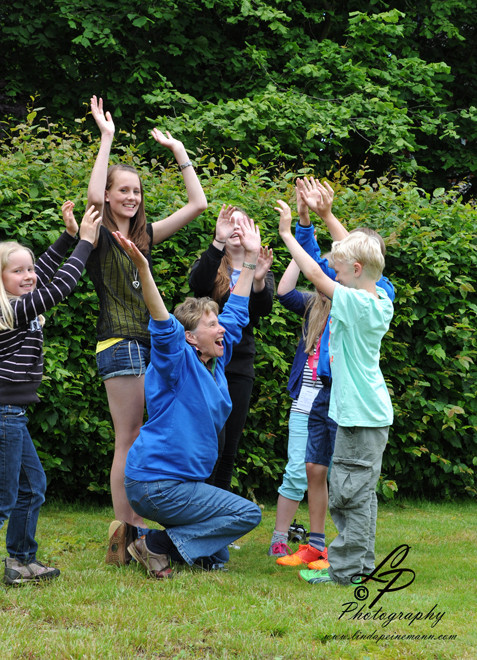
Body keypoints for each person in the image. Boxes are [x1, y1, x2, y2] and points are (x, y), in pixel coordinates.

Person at [86, 96, 207, 564]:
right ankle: (128, 534)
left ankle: (134, 529)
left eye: (136, 191)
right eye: (123, 191)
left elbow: (197, 203)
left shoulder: (145, 236)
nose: (130, 197)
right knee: (129, 437)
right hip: (119, 345)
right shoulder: (96, 233)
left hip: (148, 346)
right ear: (111, 195)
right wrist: (107, 138)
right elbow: (93, 197)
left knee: (141, 435)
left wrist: (179, 151)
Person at [113, 213, 262, 579]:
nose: (220, 328)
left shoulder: (217, 362)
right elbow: (162, 320)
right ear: (191, 337)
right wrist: (143, 270)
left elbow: (238, 312)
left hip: (179, 486)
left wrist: (250, 260)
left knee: (216, 556)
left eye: (218, 322)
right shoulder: (175, 361)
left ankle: (141, 539)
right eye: (211, 324)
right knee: (247, 514)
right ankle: (155, 546)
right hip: (156, 484)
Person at [273, 178, 396, 569]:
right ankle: (356, 566)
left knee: (349, 494)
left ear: (356, 270)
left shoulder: (361, 304)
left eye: (340, 270)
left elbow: (314, 273)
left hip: (361, 417)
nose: (334, 274)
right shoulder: (371, 297)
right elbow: (348, 261)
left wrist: (288, 234)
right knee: (354, 493)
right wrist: (322, 216)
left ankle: (346, 570)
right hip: (358, 414)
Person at [0, 202, 101, 585]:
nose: (28, 276)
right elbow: (59, 286)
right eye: (18, 271)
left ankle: (20, 561)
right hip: (4, 412)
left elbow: (42, 272)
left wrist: (69, 235)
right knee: (4, 498)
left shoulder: (18, 299)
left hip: (13, 414)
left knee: (32, 487)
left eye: (29, 269)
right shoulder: (12, 310)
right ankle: (20, 560)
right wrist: (86, 244)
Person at [268, 186, 332, 566]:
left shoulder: (349, 307)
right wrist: (301, 247)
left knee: (326, 473)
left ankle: (322, 541)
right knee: (297, 469)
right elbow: (284, 289)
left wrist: (301, 233)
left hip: (335, 404)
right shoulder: (312, 305)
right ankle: (280, 538)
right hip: (304, 403)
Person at [188, 204, 274, 490]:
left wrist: (259, 279)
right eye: (231, 224)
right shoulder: (213, 263)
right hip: (208, 363)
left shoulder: (259, 264)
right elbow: (198, 285)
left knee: (229, 446)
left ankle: (219, 513)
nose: (236, 229)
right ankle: (197, 504)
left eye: (242, 223)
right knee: (209, 438)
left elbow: (261, 310)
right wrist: (217, 241)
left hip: (240, 364)